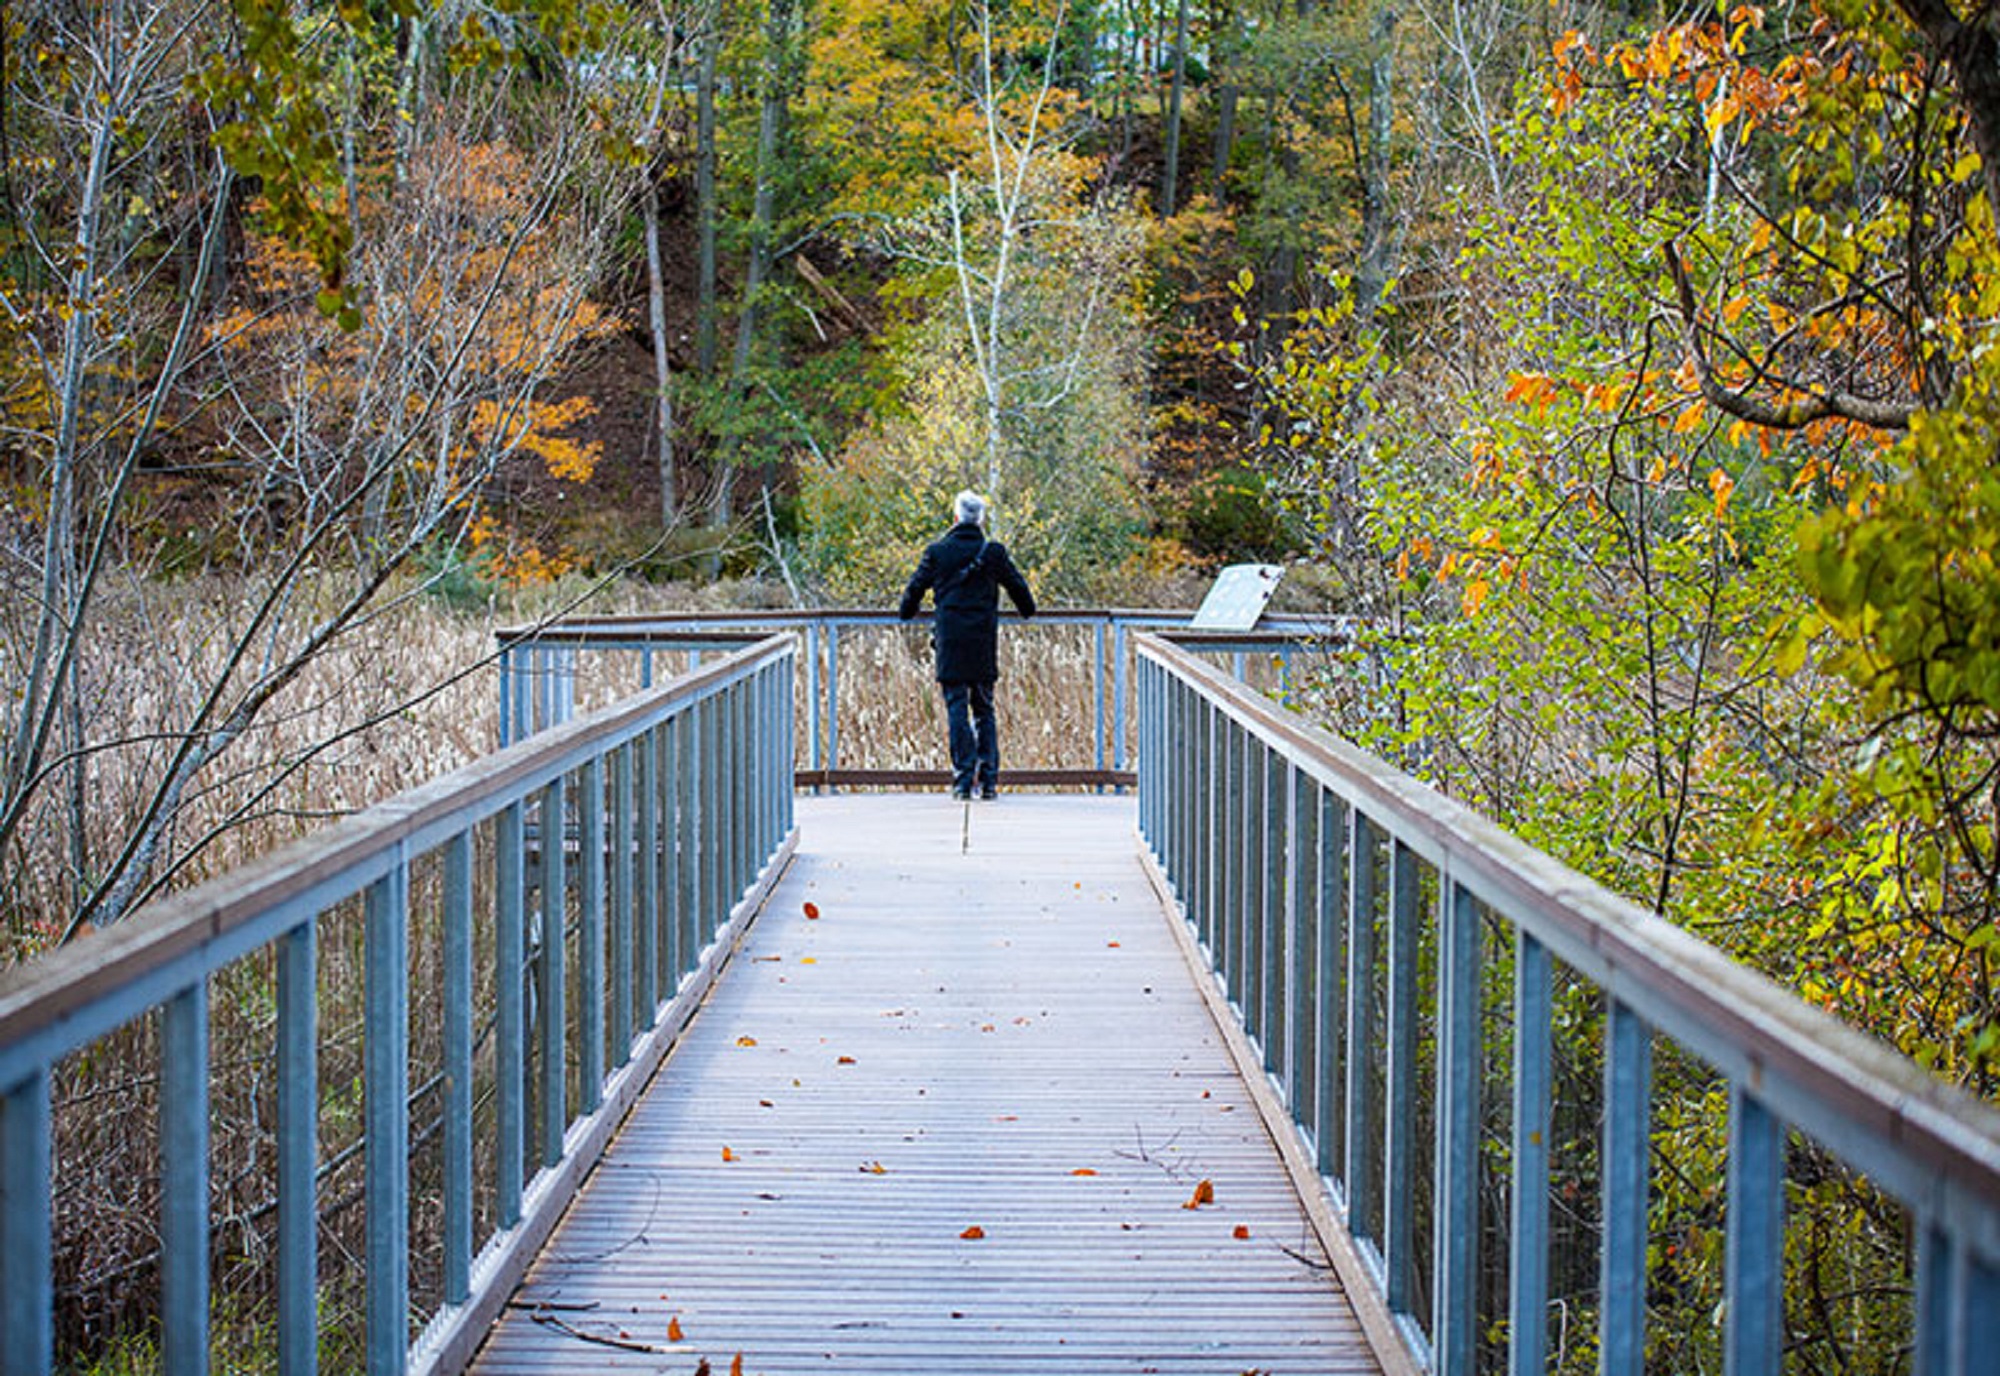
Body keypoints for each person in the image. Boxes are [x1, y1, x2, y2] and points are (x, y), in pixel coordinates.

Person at [898, 490, 1036, 801]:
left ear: (956, 517)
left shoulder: (937, 552)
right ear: (981, 519)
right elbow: (1024, 599)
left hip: (950, 642)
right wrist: (1022, 607)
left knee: (956, 709)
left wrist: (909, 610)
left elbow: (910, 600)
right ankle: (988, 781)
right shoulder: (993, 553)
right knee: (985, 709)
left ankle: (962, 781)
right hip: (982, 642)